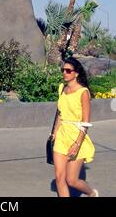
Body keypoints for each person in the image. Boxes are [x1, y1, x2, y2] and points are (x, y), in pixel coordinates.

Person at [51, 56, 98, 197]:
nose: (64, 73)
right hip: (61, 136)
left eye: (68, 70)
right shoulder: (62, 89)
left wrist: (77, 144)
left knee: (71, 180)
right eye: (63, 70)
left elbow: (85, 122)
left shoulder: (83, 92)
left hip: (77, 136)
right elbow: (60, 113)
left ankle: (92, 193)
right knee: (59, 178)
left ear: (76, 73)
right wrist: (54, 133)